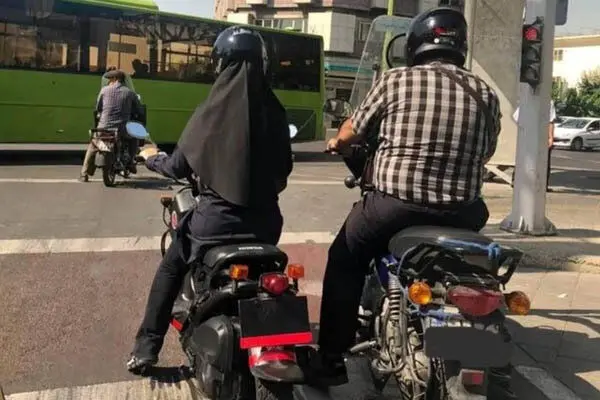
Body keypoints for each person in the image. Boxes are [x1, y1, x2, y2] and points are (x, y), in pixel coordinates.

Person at [306, 7, 503, 387]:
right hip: (463, 211)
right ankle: (472, 343)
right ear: (461, 47)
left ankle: (330, 359)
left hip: (396, 206)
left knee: (345, 258)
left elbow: (353, 131)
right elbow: (486, 151)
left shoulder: (395, 80)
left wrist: (338, 141)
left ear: (414, 45)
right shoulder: (485, 93)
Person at [126, 26, 293, 374]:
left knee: (171, 268)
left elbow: (177, 166)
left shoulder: (211, 110)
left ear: (220, 64)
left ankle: (146, 350)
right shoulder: (276, 112)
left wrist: (152, 157)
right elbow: (283, 173)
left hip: (214, 225)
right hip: (266, 225)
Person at [79, 69, 143, 182]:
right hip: (122, 129)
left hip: (103, 128)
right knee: (134, 138)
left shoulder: (104, 90)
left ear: (115, 79)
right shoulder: (130, 93)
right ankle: (131, 162)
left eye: (110, 79)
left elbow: (98, 108)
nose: (109, 82)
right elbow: (139, 109)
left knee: (93, 145)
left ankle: (84, 174)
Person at [512, 100, 557, 192]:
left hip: (530, 135)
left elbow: (517, 117)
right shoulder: (547, 100)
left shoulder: (527, 99)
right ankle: (542, 184)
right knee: (542, 160)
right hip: (540, 135)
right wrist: (550, 137)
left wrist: (525, 129)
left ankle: (516, 180)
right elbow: (551, 121)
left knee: (524, 158)